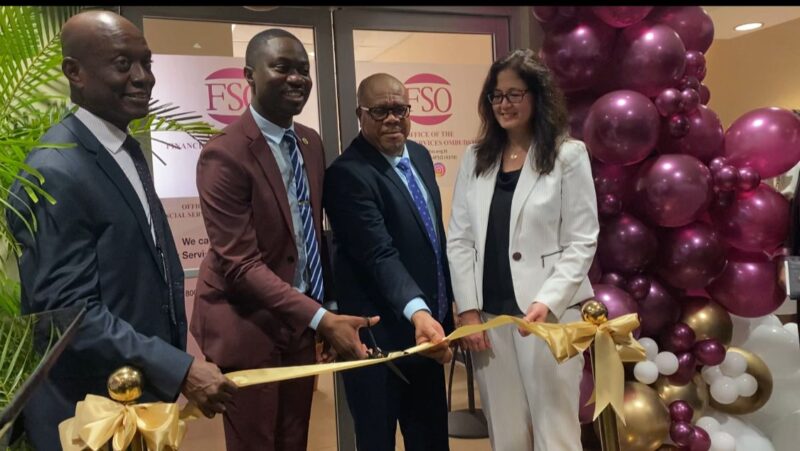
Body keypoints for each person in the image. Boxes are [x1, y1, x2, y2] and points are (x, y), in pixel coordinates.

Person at [5, 10, 237, 449]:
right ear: (75, 72)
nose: (142, 78)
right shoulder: (55, 169)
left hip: (134, 404)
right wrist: (179, 368)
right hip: (86, 416)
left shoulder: (125, 150)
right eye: (122, 64)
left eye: (146, 63)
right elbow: (68, 315)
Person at [191, 29, 377, 451]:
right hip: (245, 325)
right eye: (282, 67)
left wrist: (324, 310)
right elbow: (240, 265)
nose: (297, 79)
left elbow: (311, 233)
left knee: (294, 438)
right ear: (249, 76)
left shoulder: (310, 143)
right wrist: (320, 319)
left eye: (303, 70)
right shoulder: (225, 153)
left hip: (297, 326)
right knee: (256, 443)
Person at [446, 49, 599, 451]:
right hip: (489, 318)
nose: (504, 104)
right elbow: (460, 237)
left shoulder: (568, 155)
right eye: (497, 96)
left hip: (549, 317)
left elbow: (582, 241)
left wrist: (549, 300)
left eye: (514, 94)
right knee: (506, 432)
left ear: (537, 96)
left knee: (555, 429)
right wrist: (467, 306)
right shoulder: (476, 157)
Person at [323, 73, 454, 451]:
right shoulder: (347, 175)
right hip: (378, 342)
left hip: (426, 336)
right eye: (380, 111)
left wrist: (448, 305)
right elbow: (379, 254)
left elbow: (433, 240)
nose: (392, 119)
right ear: (360, 114)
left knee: (431, 440)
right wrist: (419, 312)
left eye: (400, 109)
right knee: (377, 441)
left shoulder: (421, 156)